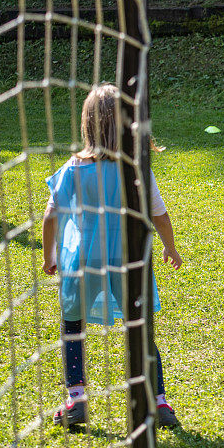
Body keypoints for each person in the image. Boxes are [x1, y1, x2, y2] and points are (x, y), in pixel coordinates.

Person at [43, 84, 182, 429]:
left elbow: (51, 216)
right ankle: (158, 402)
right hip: (128, 259)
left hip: (81, 261)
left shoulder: (74, 166)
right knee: (141, 330)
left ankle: (76, 398)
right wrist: (170, 246)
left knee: (72, 326)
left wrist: (49, 256)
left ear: (87, 123)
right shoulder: (136, 167)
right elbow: (159, 215)